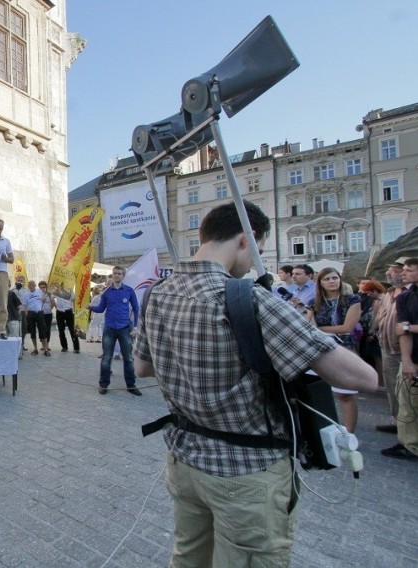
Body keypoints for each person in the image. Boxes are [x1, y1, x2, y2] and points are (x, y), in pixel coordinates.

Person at [134, 200, 377, 566]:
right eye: (258, 250)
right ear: (245, 240)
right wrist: (302, 330)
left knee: (188, 557)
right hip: (245, 471)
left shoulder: (156, 293)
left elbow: (142, 368)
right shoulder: (250, 299)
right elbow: (364, 378)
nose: (253, 262)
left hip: (184, 459)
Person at [306, 267, 362, 433]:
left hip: (344, 348)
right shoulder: (313, 303)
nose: (331, 281)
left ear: (340, 280)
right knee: (317, 392)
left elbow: (347, 327)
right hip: (320, 350)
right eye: (327, 279)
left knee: (345, 394)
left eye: (334, 278)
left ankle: (349, 433)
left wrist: (319, 329)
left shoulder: (353, 299)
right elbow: (308, 326)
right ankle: (322, 430)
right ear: (320, 283)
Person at [89, 266, 140, 396]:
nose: (116, 276)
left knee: (128, 358)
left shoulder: (129, 291)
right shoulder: (106, 292)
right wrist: (90, 307)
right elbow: (101, 308)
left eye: (119, 274)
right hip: (109, 328)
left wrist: (135, 327)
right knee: (106, 357)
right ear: (112, 276)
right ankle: (103, 384)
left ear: (123, 276)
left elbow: (136, 308)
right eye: (114, 274)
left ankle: (131, 385)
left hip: (125, 329)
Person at [387, 256, 418, 460]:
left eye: (408, 269)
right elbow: (402, 331)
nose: (403, 273)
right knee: (407, 403)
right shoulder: (406, 296)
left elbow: (405, 327)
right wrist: (406, 361)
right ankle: (409, 444)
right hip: (413, 358)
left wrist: (409, 327)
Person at [376, 258, 407, 433]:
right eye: (390, 270)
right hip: (387, 347)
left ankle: (407, 426)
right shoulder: (389, 293)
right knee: (392, 387)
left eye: (394, 270)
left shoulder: (410, 294)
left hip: (403, 349)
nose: (389, 273)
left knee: (406, 390)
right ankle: (397, 421)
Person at [23, 280, 50, 356]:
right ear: (28, 286)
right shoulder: (26, 294)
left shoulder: (40, 292)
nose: (31, 286)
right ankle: (35, 349)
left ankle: (45, 349)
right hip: (31, 313)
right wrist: (26, 314)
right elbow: (24, 305)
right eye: (29, 285)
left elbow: (45, 300)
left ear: (35, 285)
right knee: (32, 332)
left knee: (43, 331)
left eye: (32, 284)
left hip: (39, 313)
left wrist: (44, 299)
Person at [52, 284, 79, 353]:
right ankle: (64, 347)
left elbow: (74, 299)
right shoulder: (56, 290)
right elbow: (52, 298)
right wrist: (55, 306)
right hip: (59, 312)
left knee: (73, 330)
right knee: (61, 330)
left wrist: (75, 309)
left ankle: (76, 348)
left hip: (69, 311)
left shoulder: (69, 289)